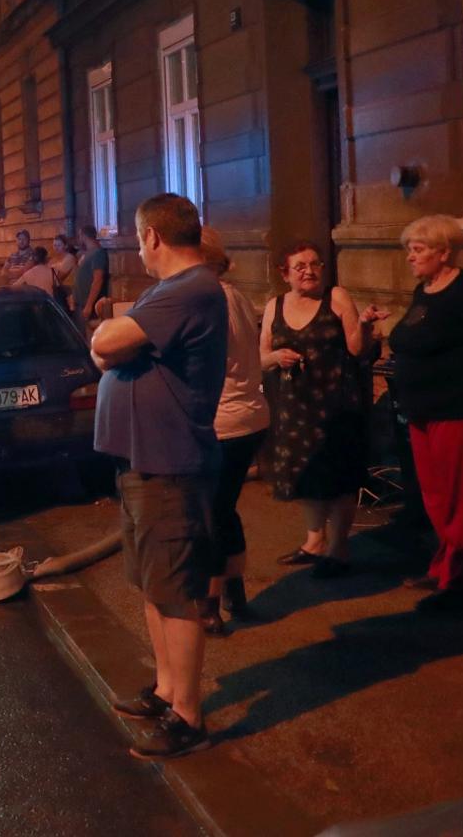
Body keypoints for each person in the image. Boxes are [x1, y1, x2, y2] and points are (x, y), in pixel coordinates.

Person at [90, 193, 227, 759]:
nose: (138, 248)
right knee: (153, 586)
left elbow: (104, 343)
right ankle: (167, 691)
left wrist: (113, 339)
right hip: (143, 462)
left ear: (151, 236)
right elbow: (108, 351)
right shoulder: (166, 291)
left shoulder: (189, 289)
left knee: (177, 594)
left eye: (137, 238)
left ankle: (187, 716)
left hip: (170, 465)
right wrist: (114, 343)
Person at [388, 215, 463, 613]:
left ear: (444, 252)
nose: (410, 257)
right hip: (423, 410)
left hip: (459, 410)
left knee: (458, 498)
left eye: (418, 250)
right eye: (409, 249)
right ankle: (445, 567)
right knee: (436, 496)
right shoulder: (425, 290)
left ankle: (459, 581)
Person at [259, 240, 381, 580]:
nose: (309, 271)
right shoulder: (274, 305)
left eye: (315, 264)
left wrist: (365, 324)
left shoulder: (336, 297)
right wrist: (276, 357)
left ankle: (338, 549)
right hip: (296, 407)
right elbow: (261, 356)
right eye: (300, 266)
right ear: (285, 273)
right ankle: (314, 543)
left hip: (337, 405)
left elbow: (356, 349)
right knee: (307, 473)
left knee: (340, 477)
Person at [197, 227, 269, 636]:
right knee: (224, 510)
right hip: (249, 418)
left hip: (222, 422)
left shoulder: (207, 301)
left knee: (209, 515)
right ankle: (234, 593)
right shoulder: (235, 296)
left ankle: (208, 605)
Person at [73, 225, 110, 327]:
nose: (79, 238)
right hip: (80, 302)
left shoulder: (98, 253)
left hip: (88, 304)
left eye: (79, 235)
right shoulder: (87, 253)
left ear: (83, 235)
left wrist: (89, 305)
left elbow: (98, 280)